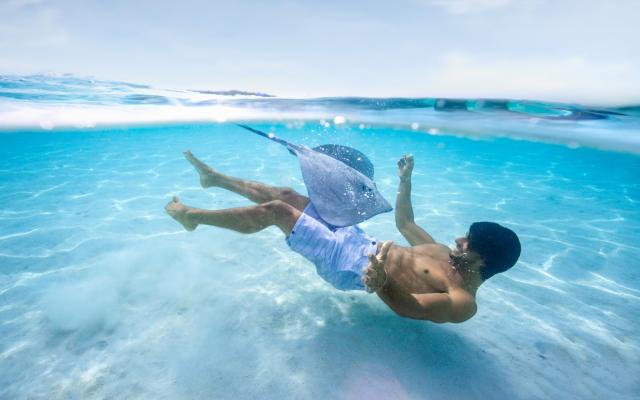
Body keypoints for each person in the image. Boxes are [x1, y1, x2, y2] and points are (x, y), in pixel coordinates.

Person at [166, 151, 521, 324]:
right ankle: (216, 179)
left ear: (483, 259)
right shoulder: (444, 251)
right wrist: (405, 181)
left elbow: (409, 307)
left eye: (467, 241)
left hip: (350, 265)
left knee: (277, 211)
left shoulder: (462, 302)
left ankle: (191, 218)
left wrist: (381, 281)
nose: (458, 239)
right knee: (288, 195)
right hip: (357, 239)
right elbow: (406, 222)